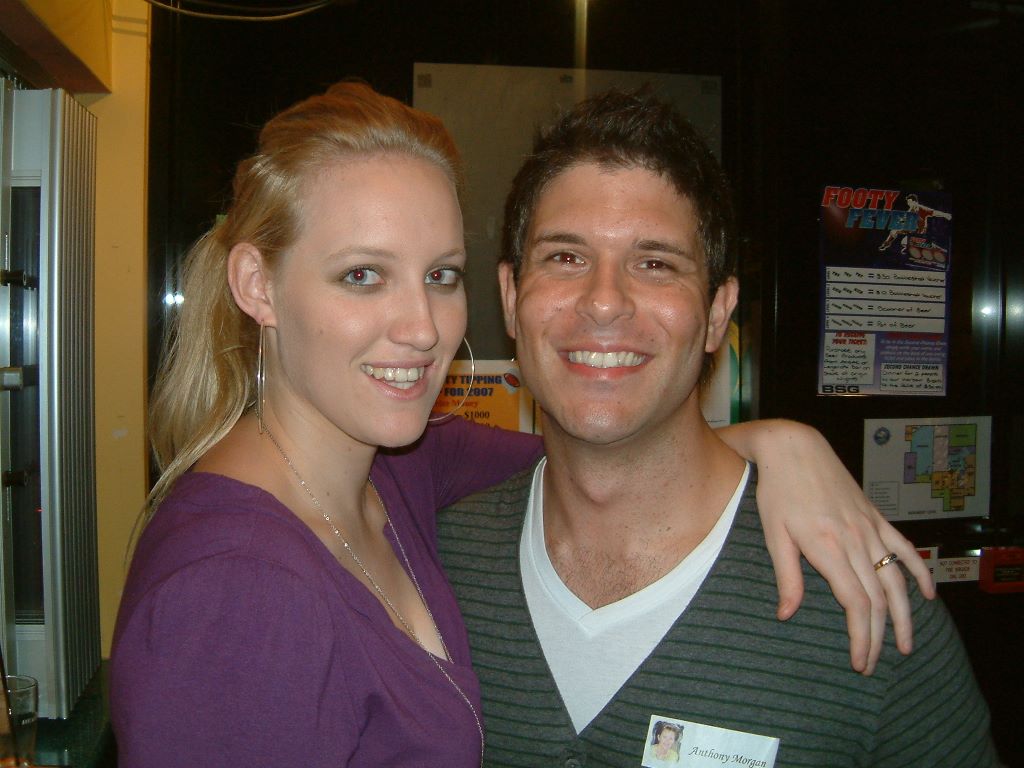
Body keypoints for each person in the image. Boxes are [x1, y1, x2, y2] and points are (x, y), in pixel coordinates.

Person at [111, 81, 929, 767]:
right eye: (362, 275)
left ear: (719, 312)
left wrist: (781, 443)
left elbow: (591, 450)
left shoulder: (397, 471)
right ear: (257, 284)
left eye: (440, 276)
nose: (422, 328)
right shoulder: (231, 592)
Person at [436, 88, 1001, 767]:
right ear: (509, 296)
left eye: (655, 263)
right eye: (565, 257)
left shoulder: (861, 594)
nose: (605, 301)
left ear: (716, 314)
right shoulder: (433, 565)